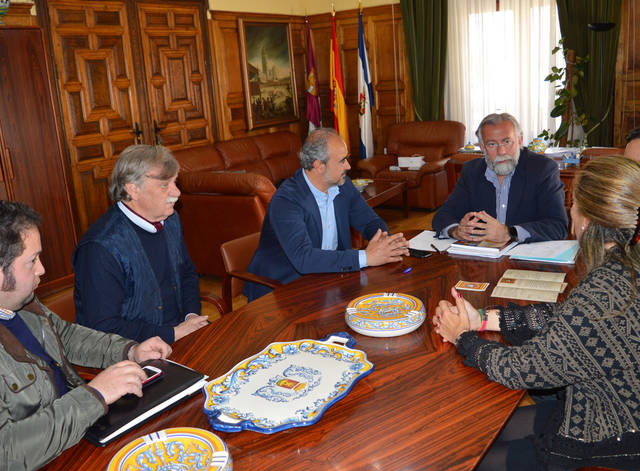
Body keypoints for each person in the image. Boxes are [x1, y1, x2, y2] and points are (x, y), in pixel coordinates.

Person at [433, 156, 640, 471]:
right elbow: (564, 319)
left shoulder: (605, 292)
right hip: (609, 412)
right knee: (475, 436)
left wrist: (463, 337)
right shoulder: (626, 265)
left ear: (585, 219)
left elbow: (521, 369)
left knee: (465, 464)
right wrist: (485, 319)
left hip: (610, 442)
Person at [0, 201, 172, 471]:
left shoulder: (23, 303)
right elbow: (6, 457)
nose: (42, 269)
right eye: (32, 261)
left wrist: (129, 350)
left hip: (80, 431)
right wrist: (94, 395)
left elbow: (65, 336)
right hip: (47, 464)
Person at [245, 128, 409, 301]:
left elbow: (370, 221)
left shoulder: (342, 185)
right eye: (342, 161)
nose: (348, 166)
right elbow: (304, 258)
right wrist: (367, 257)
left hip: (327, 280)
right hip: (281, 292)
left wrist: (386, 244)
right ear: (318, 165)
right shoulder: (286, 200)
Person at [73, 144, 208, 343]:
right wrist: (172, 334)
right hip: (132, 351)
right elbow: (103, 327)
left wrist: (191, 316)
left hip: (180, 332)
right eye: (165, 185)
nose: (177, 192)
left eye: (175, 182)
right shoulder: (100, 248)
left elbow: (186, 273)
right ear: (133, 189)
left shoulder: (170, 220)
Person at [432, 113, 568, 244]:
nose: (501, 151)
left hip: (524, 259)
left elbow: (558, 226)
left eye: (507, 142)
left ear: (520, 141)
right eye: (492, 144)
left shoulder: (542, 169)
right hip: (482, 259)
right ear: (482, 148)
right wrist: (456, 231)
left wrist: (509, 233)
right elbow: (443, 215)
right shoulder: (472, 171)